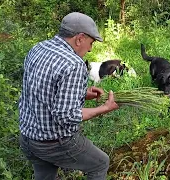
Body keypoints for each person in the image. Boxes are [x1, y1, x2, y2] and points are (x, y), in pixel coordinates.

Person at [18, 12, 119, 180]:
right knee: (100, 163)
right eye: (91, 42)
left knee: (45, 175)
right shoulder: (73, 64)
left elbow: (40, 89)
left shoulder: (38, 48)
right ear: (79, 38)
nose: (90, 49)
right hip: (52, 142)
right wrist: (104, 108)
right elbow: (66, 116)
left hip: (28, 137)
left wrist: (82, 93)